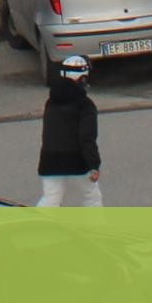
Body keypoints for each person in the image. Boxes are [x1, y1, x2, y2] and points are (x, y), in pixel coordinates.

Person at [36, 52, 102, 206]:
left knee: (50, 200)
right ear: (83, 76)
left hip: (50, 159)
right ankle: (96, 228)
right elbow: (87, 138)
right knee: (92, 197)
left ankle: (35, 228)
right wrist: (94, 165)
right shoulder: (85, 105)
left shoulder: (51, 101)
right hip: (76, 159)